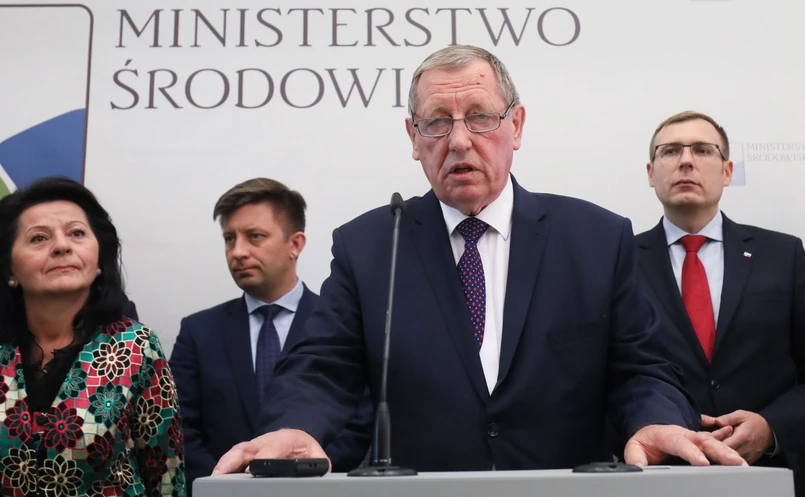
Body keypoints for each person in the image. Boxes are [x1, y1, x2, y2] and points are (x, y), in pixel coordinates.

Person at [214, 45, 745, 475]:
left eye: (480, 117)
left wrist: (652, 420)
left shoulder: (595, 238)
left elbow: (642, 368)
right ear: (413, 138)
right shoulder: (373, 244)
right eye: (436, 123)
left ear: (517, 125)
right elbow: (321, 368)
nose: (460, 141)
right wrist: (297, 426)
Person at [637, 111, 804, 492]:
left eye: (702, 150)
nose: (686, 161)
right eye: (670, 151)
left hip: (768, 476)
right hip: (658, 478)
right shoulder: (619, 261)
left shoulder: (783, 255)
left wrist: (772, 427)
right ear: (650, 173)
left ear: (727, 172)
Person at [169, 178, 371, 490]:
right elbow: (180, 427)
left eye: (255, 237)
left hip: (318, 490)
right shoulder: (198, 332)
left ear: (295, 244)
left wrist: (301, 477)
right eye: (229, 238)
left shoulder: (341, 326)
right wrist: (228, 486)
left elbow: (358, 424)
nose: (238, 251)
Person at [0, 177, 184, 496]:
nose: (62, 246)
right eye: (39, 238)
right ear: (9, 270)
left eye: (76, 233)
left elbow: (166, 476)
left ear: (99, 258)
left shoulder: (136, 346)